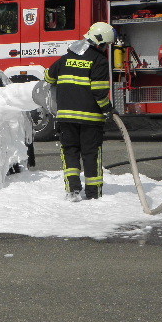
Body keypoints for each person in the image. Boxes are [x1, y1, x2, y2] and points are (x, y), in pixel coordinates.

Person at [44, 22, 116, 202]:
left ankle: (73, 190)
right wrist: (108, 110)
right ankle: (93, 194)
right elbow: (99, 91)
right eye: (106, 45)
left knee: (70, 152)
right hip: (90, 119)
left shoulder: (66, 57)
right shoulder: (99, 60)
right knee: (91, 154)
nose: (106, 48)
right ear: (101, 43)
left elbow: (49, 77)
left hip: (66, 118)